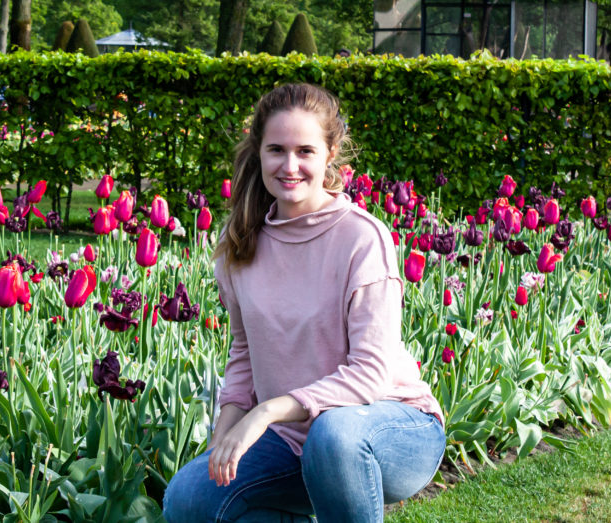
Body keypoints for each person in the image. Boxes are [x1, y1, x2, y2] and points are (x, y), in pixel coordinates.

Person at [162, 83, 445, 523]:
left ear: (330, 154)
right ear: (259, 153)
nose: (289, 165)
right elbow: (243, 356)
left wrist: (267, 412)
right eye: (276, 149)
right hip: (295, 441)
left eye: (305, 151)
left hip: (390, 430)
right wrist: (221, 441)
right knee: (190, 498)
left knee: (333, 435)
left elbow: (370, 375)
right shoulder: (240, 245)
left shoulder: (361, 238)